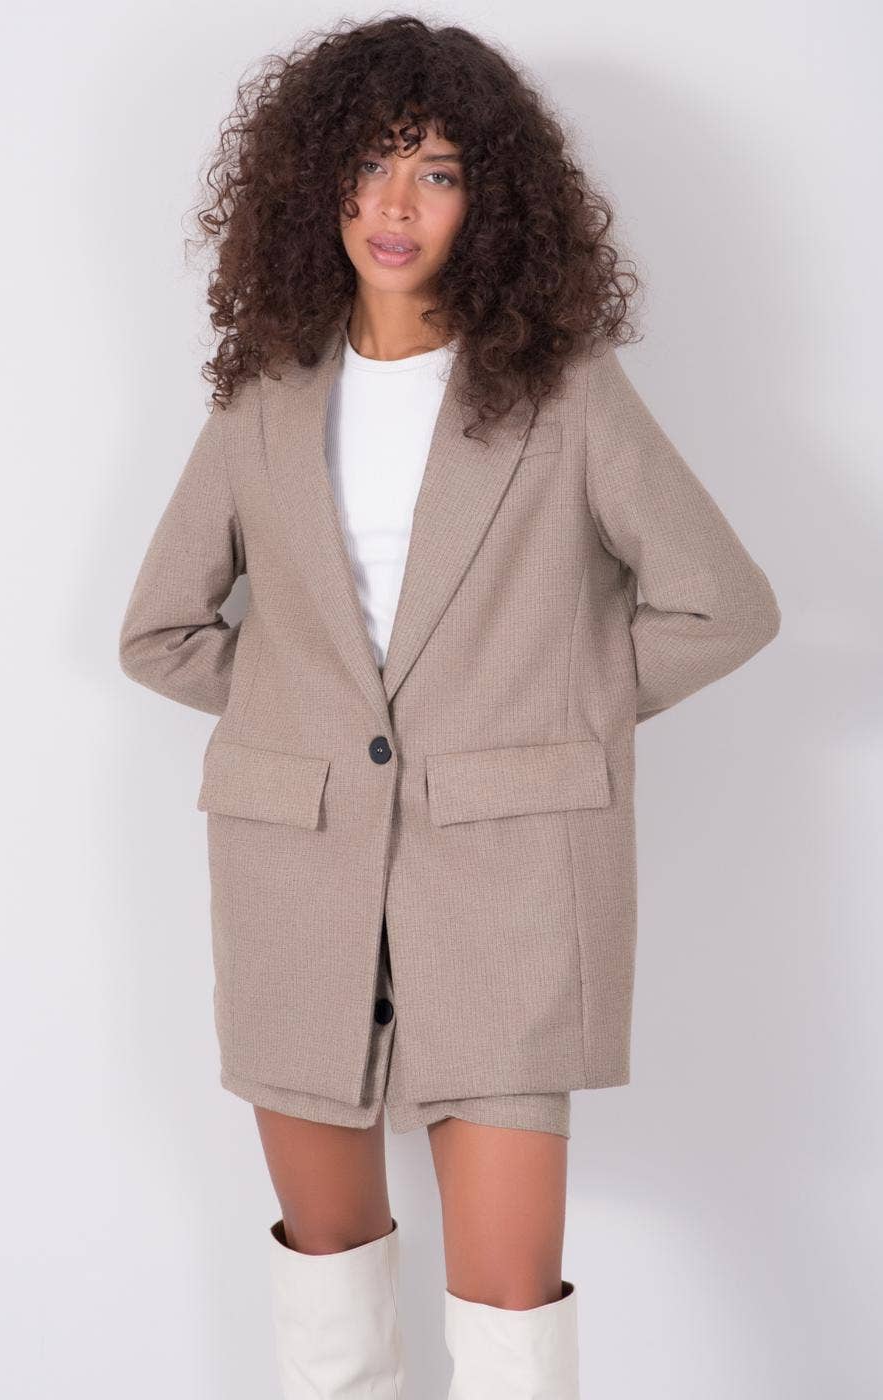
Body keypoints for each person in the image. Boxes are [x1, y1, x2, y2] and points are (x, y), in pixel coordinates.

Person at [118, 14, 781, 1399]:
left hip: (508, 884)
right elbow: (162, 632)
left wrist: (547, 713)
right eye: (369, 165)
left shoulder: (565, 396)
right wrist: (311, 727)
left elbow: (723, 604)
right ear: (317, 184)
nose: (396, 204)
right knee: (326, 1282)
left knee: (506, 1312)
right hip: (295, 879)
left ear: (493, 202)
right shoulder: (262, 400)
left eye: (436, 171)